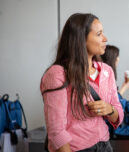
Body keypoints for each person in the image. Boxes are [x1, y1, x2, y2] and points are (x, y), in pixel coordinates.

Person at [40, 13, 124, 152]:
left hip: (105, 145)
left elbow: (118, 115)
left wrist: (109, 109)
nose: (105, 39)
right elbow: (56, 131)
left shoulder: (106, 71)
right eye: (99, 34)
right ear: (81, 39)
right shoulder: (57, 74)